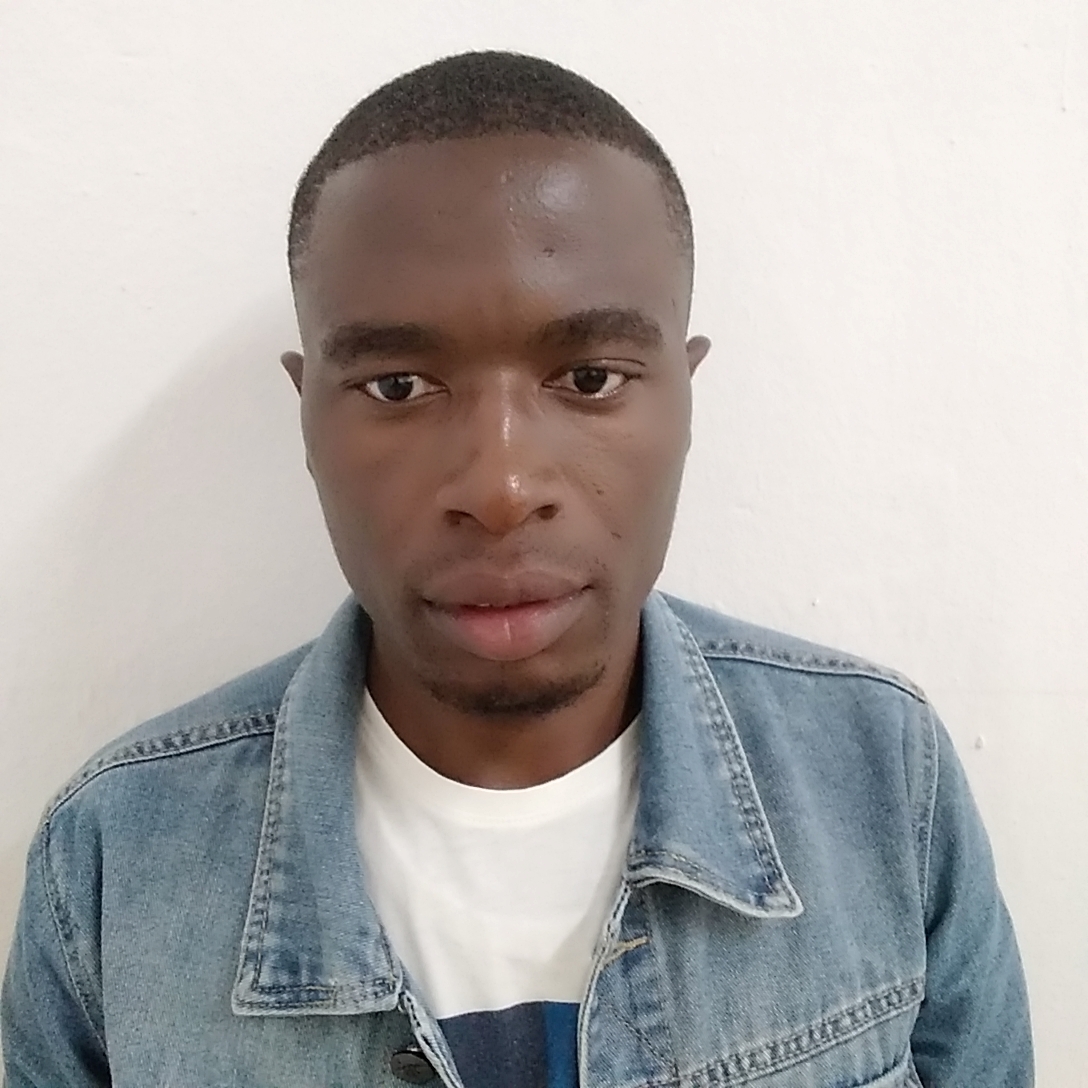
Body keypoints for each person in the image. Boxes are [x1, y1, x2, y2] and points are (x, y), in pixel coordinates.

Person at [1, 51, 1031, 1088]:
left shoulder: (883, 777)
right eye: (398, 386)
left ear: (685, 398)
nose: (499, 487)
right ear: (306, 415)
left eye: (589, 376)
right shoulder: (112, 862)